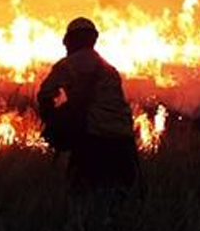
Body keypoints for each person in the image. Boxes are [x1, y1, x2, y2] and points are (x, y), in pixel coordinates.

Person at [38, 17, 139, 194]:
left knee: (81, 192)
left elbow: (45, 94)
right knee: (125, 195)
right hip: (124, 138)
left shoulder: (67, 65)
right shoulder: (109, 69)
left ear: (70, 40)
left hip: (93, 137)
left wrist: (54, 122)